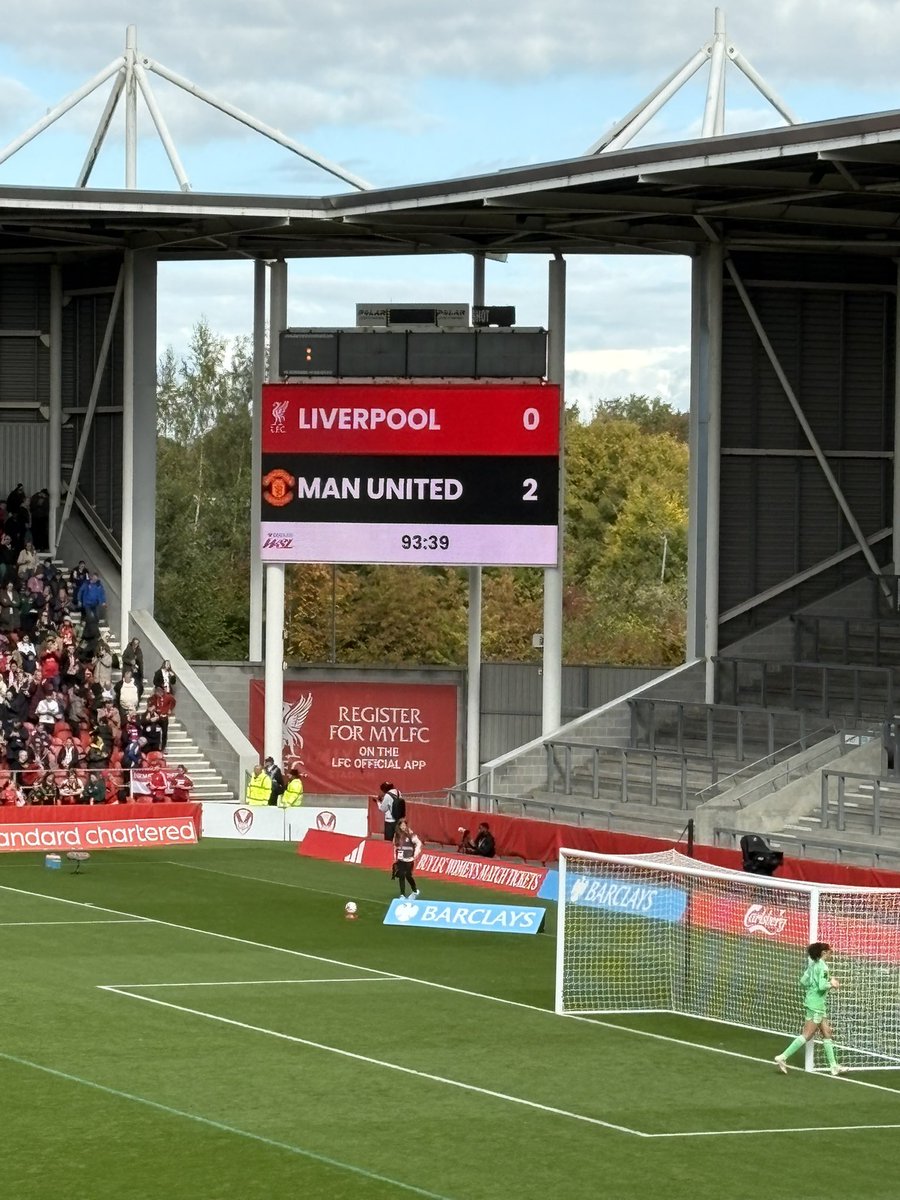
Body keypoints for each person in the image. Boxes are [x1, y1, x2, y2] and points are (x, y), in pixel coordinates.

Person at [774, 942, 849, 1077]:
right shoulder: (823, 967)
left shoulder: (812, 965)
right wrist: (832, 984)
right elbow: (821, 986)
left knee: (827, 1032)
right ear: (823, 953)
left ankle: (833, 1066)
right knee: (807, 1034)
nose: (831, 953)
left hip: (814, 1002)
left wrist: (812, 988)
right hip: (816, 1005)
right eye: (829, 951)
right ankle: (782, 1056)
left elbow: (803, 981)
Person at [392, 818, 421, 899]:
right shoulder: (396, 835)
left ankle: (415, 890)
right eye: (401, 825)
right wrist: (395, 857)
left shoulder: (410, 834)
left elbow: (418, 843)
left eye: (404, 825)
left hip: (409, 859)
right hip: (401, 859)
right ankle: (402, 894)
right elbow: (395, 846)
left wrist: (416, 854)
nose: (403, 827)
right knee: (401, 875)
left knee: (408, 875)